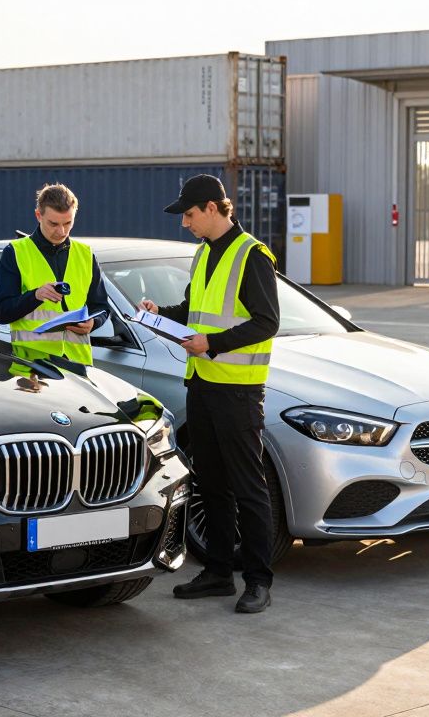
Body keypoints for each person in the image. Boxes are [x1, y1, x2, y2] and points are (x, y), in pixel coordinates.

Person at [139, 174, 280, 614]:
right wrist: (162, 314)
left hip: (238, 393)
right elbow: (195, 311)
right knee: (212, 485)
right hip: (201, 386)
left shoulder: (252, 255)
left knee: (248, 489)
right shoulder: (204, 255)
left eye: (189, 213)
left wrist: (211, 344)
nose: (184, 222)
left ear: (214, 209)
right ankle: (219, 572)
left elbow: (267, 321)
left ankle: (258, 580)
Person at [0, 183, 110, 374]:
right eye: (53, 224)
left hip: (78, 367)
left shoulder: (86, 255)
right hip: (31, 369)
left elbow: (101, 307)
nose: (61, 231)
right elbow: (1, 312)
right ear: (38, 215)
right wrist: (35, 296)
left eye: (68, 223)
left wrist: (93, 323)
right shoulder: (15, 252)